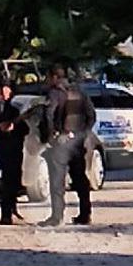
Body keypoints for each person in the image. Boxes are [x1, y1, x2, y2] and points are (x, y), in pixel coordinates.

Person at [39, 63, 95, 226]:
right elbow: (91, 116)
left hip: (61, 143)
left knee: (57, 180)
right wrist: (82, 135)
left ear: (55, 77)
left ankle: (57, 217)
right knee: (80, 179)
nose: (47, 80)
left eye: (48, 77)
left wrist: (51, 136)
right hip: (78, 143)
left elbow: (48, 115)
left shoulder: (55, 93)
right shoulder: (80, 92)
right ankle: (85, 214)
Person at [0, 79, 27, 225]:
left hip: (14, 147)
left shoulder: (7, 105)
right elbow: (4, 127)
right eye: (4, 88)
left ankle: (12, 210)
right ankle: (6, 214)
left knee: (14, 180)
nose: (7, 91)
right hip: (6, 146)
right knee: (8, 181)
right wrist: (18, 120)